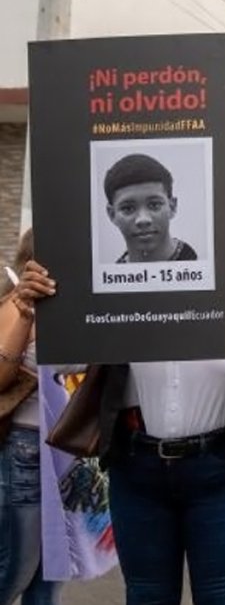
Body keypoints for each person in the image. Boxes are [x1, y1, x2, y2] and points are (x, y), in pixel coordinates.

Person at [17, 257, 225, 605]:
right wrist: (42, 313)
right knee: (147, 596)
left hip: (222, 470)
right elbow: (64, 361)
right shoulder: (119, 282)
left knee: (223, 597)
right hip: (138, 469)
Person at [0, 229, 63, 605]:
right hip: (24, 448)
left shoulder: (75, 310)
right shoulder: (16, 306)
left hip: (62, 453)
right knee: (14, 570)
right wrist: (26, 320)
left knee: (51, 574)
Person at [103, 153, 198, 263]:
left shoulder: (199, 266)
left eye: (154, 205)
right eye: (128, 208)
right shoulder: (113, 275)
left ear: (172, 207)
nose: (143, 219)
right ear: (112, 214)